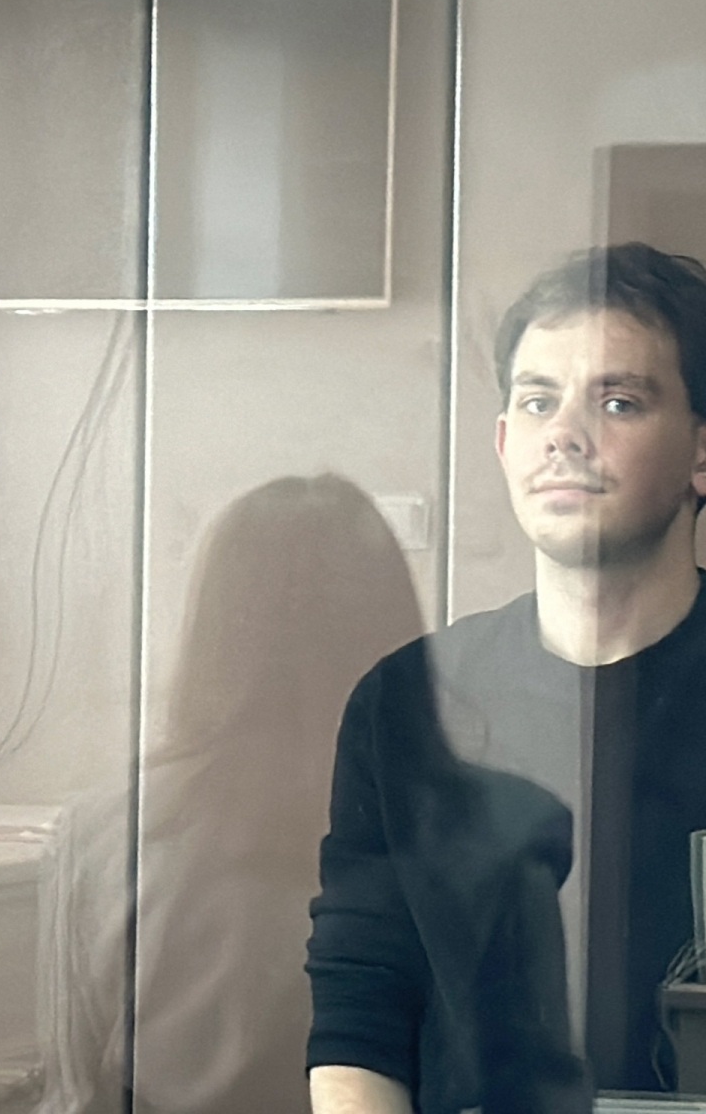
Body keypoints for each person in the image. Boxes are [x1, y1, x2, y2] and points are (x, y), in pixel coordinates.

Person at [306, 244, 706, 1114]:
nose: (563, 436)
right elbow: (359, 1005)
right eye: (538, 401)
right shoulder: (409, 701)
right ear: (504, 442)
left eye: (617, 402)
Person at [39, 475, 426, 1114]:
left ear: (214, 631)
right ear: (394, 633)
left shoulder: (106, 832)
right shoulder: (477, 830)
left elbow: (77, 1094)